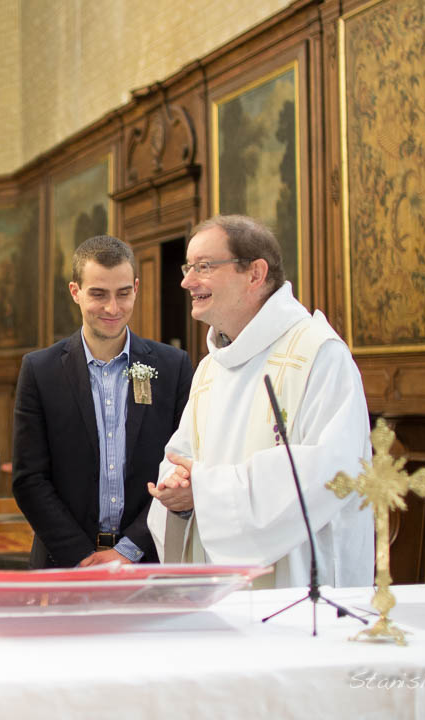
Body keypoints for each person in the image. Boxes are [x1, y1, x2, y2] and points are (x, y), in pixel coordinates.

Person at [146, 215, 374, 588]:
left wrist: (204, 489)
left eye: (204, 267)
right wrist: (177, 490)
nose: (187, 281)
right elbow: (179, 457)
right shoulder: (209, 370)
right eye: (188, 267)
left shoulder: (318, 354)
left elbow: (331, 473)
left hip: (298, 588)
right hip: (220, 587)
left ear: (255, 273)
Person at [12, 235, 192, 568]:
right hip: (62, 561)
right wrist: (82, 558)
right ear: (75, 291)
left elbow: (179, 469)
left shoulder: (172, 367)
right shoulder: (40, 370)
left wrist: (128, 549)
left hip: (147, 559)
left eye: (123, 293)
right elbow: (29, 479)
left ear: (136, 287)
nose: (112, 308)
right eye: (98, 294)